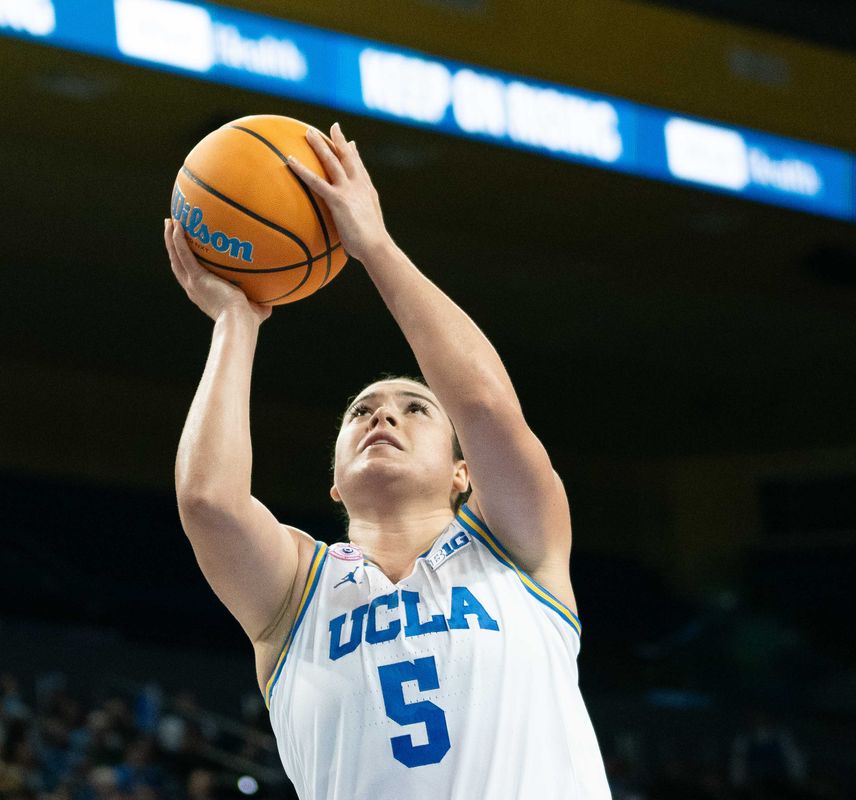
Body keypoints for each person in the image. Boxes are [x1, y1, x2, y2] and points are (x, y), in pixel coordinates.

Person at [165, 122, 610, 798]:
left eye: (415, 408)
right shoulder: (295, 594)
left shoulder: (521, 547)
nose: (383, 415)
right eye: (361, 413)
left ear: (465, 473)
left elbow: (486, 407)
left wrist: (373, 245)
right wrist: (236, 321)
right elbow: (208, 503)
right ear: (336, 485)